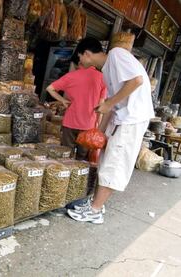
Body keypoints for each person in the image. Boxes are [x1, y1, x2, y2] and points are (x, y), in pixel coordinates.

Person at [67, 37, 155, 224]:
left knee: (115, 164)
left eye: (80, 58)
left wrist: (108, 104)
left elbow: (137, 81)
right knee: (106, 161)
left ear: (87, 53)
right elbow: (110, 105)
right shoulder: (106, 70)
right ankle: (95, 203)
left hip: (132, 119)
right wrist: (97, 132)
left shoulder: (116, 54)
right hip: (122, 118)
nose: (80, 62)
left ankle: (95, 211)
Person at [46, 55, 107, 160]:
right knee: (82, 158)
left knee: (65, 154)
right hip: (88, 124)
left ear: (79, 64)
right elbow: (101, 106)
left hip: (70, 122)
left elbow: (50, 88)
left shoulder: (71, 76)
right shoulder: (102, 78)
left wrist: (63, 100)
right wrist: (98, 127)